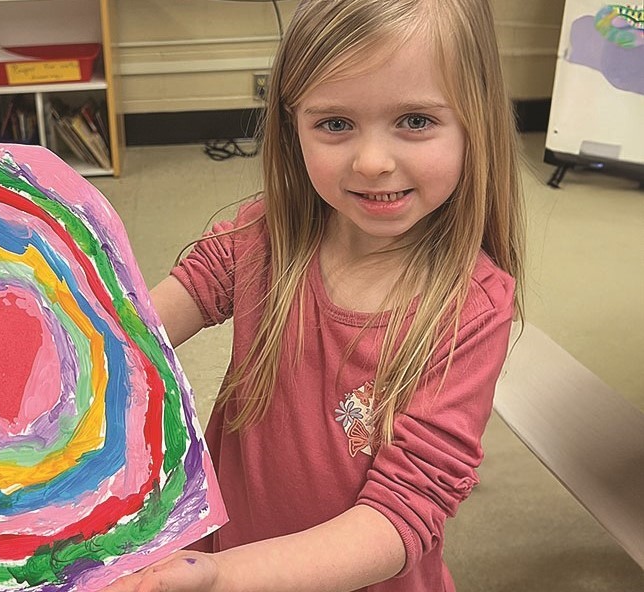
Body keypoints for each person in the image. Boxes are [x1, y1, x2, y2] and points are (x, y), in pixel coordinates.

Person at [104, 0, 524, 590]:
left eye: (416, 121)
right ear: (292, 123)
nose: (373, 162)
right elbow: (142, 323)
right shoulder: (263, 238)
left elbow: (400, 515)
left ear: (475, 121)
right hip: (226, 548)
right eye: (335, 124)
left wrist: (221, 576)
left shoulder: (472, 308)